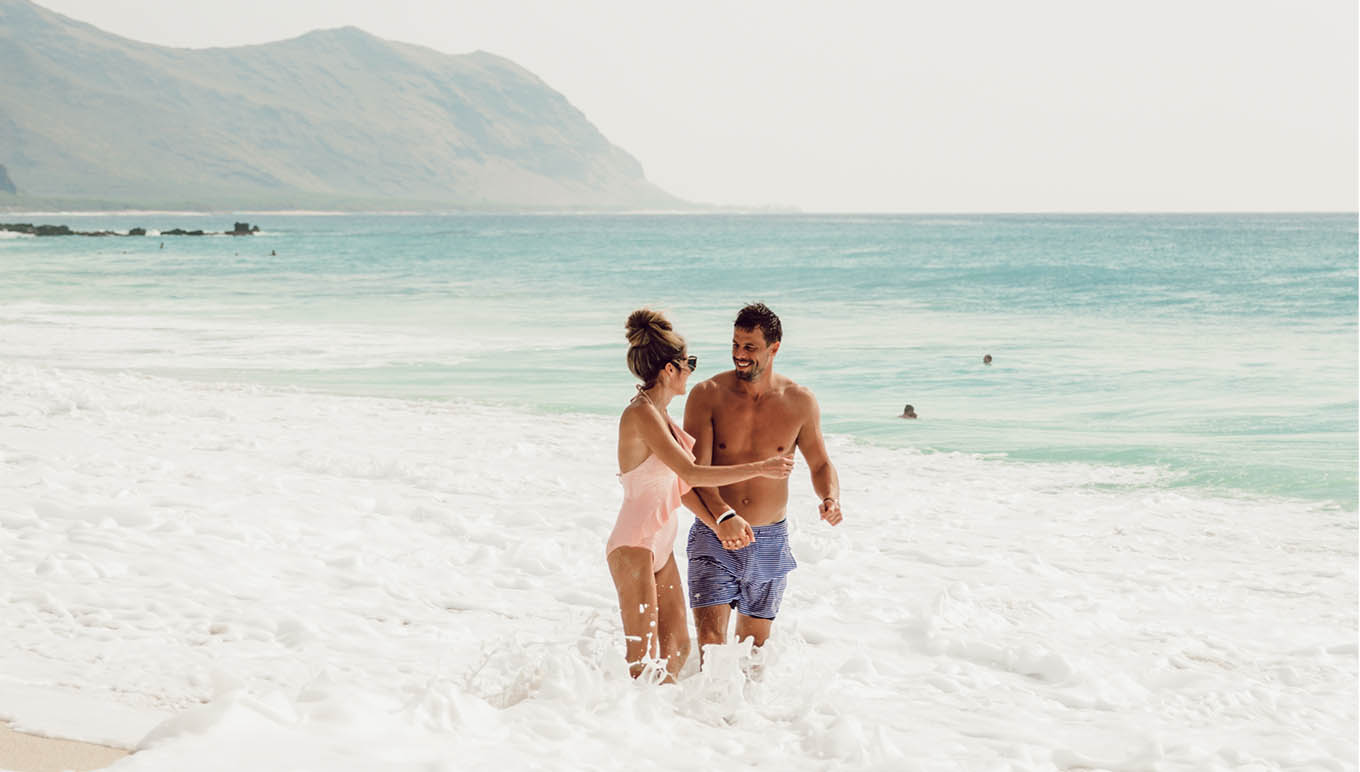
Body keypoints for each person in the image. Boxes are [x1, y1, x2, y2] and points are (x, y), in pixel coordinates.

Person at [608, 308, 795, 683]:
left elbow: (681, 488)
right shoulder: (641, 414)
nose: (692, 370)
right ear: (669, 370)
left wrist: (721, 521)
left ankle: (670, 727)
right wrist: (759, 467)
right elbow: (692, 472)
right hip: (634, 544)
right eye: (688, 362)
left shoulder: (661, 415)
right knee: (642, 659)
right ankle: (621, 727)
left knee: (677, 649)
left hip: (660, 543)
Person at [682, 303, 843, 661]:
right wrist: (723, 517)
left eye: (750, 347)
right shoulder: (707, 394)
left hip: (769, 540)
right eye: (736, 345)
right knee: (711, 645)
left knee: (753, 654)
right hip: (715, 533)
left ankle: (744, 717)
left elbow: (820, 463)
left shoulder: (799, 401)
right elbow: (695, 472)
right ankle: (702, 716)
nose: (740, 355)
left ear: (774, 347)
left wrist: (830, 497)